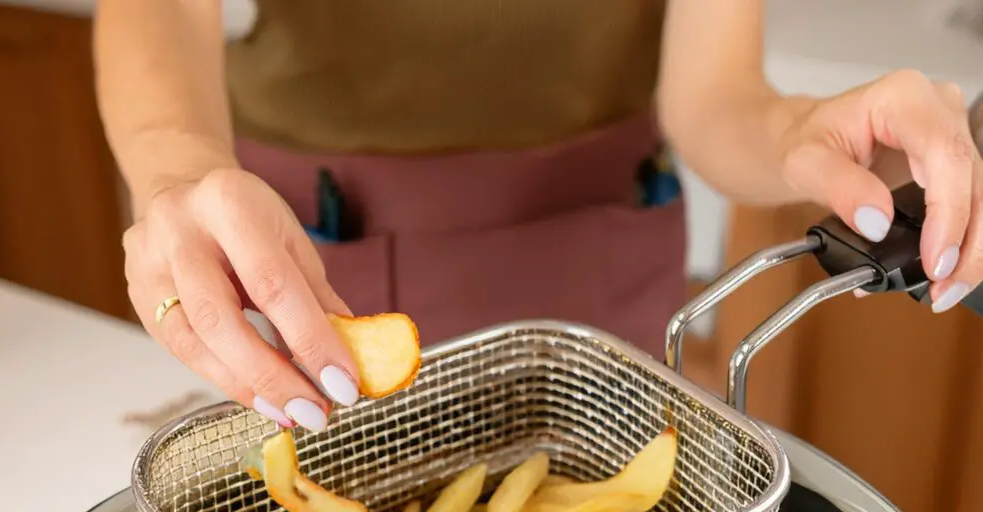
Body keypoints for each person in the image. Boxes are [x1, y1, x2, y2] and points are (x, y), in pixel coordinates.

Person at [95, 0, 983, 433]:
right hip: (310, 260)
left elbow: (714, 92)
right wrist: (178, 168)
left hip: (598, 252)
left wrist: (797, 135)